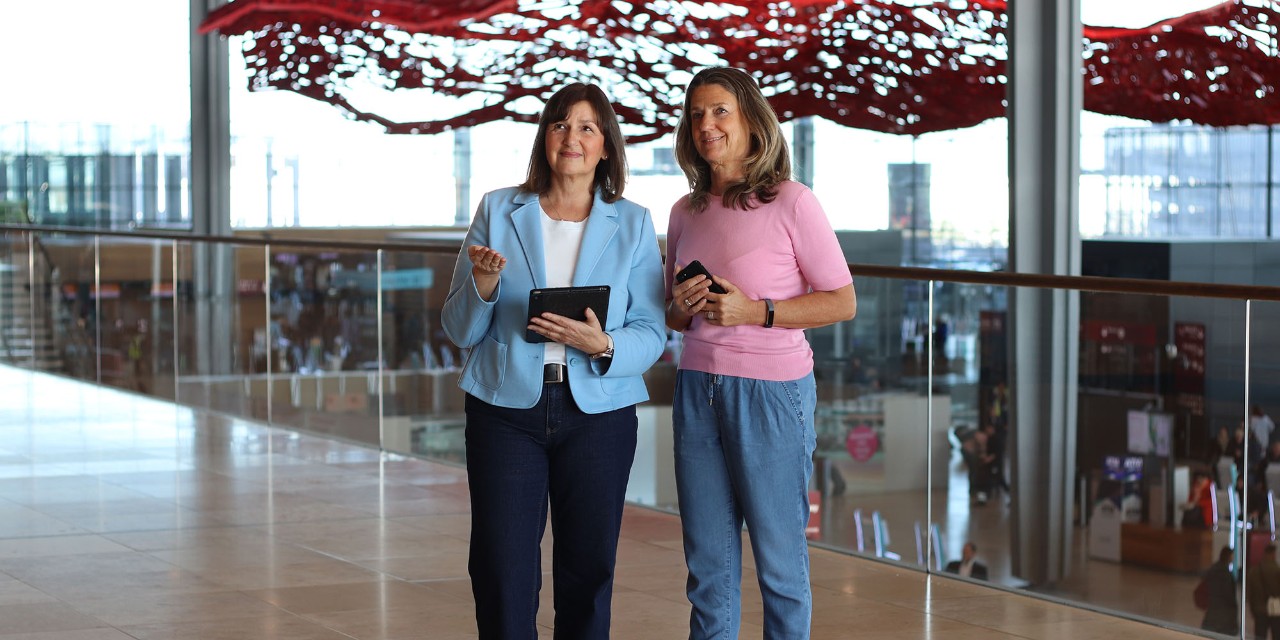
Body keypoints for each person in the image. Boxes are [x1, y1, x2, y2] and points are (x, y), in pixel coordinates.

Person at [440, 82, 666, 639]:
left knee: (589, 568)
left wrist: (602, 344)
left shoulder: (634, 222)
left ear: (606, 146)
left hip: (599, 415)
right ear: (544, 137)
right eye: (560, 124)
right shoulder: (498, 209)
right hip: (505, 412)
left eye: (587, 127)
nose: (572, 138)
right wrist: (483, 284)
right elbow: (459, 328)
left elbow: (651, 332)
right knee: (501, 568)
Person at [664, 66, 857, 640]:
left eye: (720, 110)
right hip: (696, 388)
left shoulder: (793, 202)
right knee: (707, 567)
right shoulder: (684, 211)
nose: (706, 124)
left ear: (751, 119)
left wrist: (755, 311)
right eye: (696, 114)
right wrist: (681, 306)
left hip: (771, 394)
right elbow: (672, 315)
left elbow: (842, 301)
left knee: (779, 564)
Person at [1201, 545, 1240, 635]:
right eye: (1232, 556)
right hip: (1223, 614)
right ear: (1228, 556)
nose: (1233, 558)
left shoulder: (1213, 569)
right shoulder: (1225, 574)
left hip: (1212, 609)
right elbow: (1229, 596)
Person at [1247, 544, 1280, 639]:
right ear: (1273, 554)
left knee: (1260, 636)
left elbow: (1249, 592)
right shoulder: (1277, 570)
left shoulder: (1254, 570)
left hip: (1259, 610)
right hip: (1275, 610)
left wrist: (1252, 609)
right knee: (1277, 635)